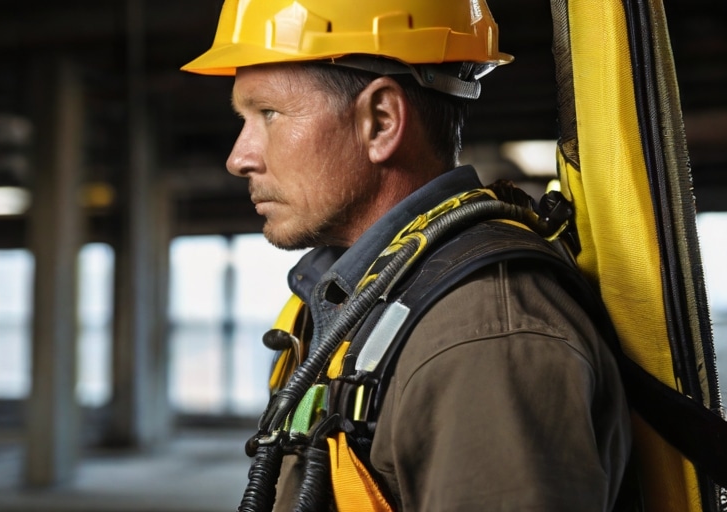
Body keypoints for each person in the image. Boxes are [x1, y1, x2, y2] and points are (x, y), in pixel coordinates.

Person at [182, 0, 634, 510]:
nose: (238, 157)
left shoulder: (481, 333)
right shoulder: (364, 297)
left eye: (268, 113)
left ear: (381, 121)